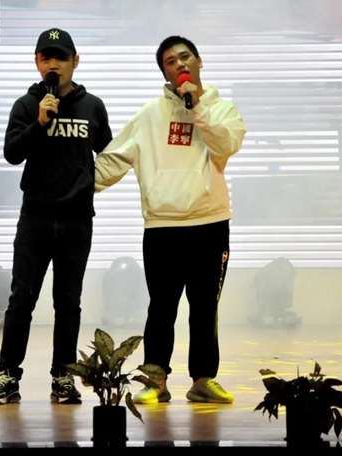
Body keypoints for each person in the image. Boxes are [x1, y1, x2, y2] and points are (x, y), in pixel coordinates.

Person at [94, 35, 247, 404]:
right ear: (165, 73)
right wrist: (69, 187)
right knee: (161, 308)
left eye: (184, 57)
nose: (179, 65)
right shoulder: (150, 115)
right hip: (162, 227)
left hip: (210, 224)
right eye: (170, 62)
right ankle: (155, 381)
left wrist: (199, 108)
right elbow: (113, 160)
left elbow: (225, 145)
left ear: (199, 61)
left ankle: (203, 380)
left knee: (204, 308)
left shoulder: (222, 110)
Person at [0, 28, 113, 405]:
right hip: (35, 219)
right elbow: (12, 154)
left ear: (75, 61)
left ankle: (63, 377)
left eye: (61, 57)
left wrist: (89, 184)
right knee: (21, 300)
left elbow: (110, 154)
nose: (53, 64)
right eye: (46, 57)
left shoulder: (93, 107)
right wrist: (40, 122)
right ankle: (8, 375)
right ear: (37, 63)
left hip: (76, 221)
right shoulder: (27, 105)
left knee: (68, 303)